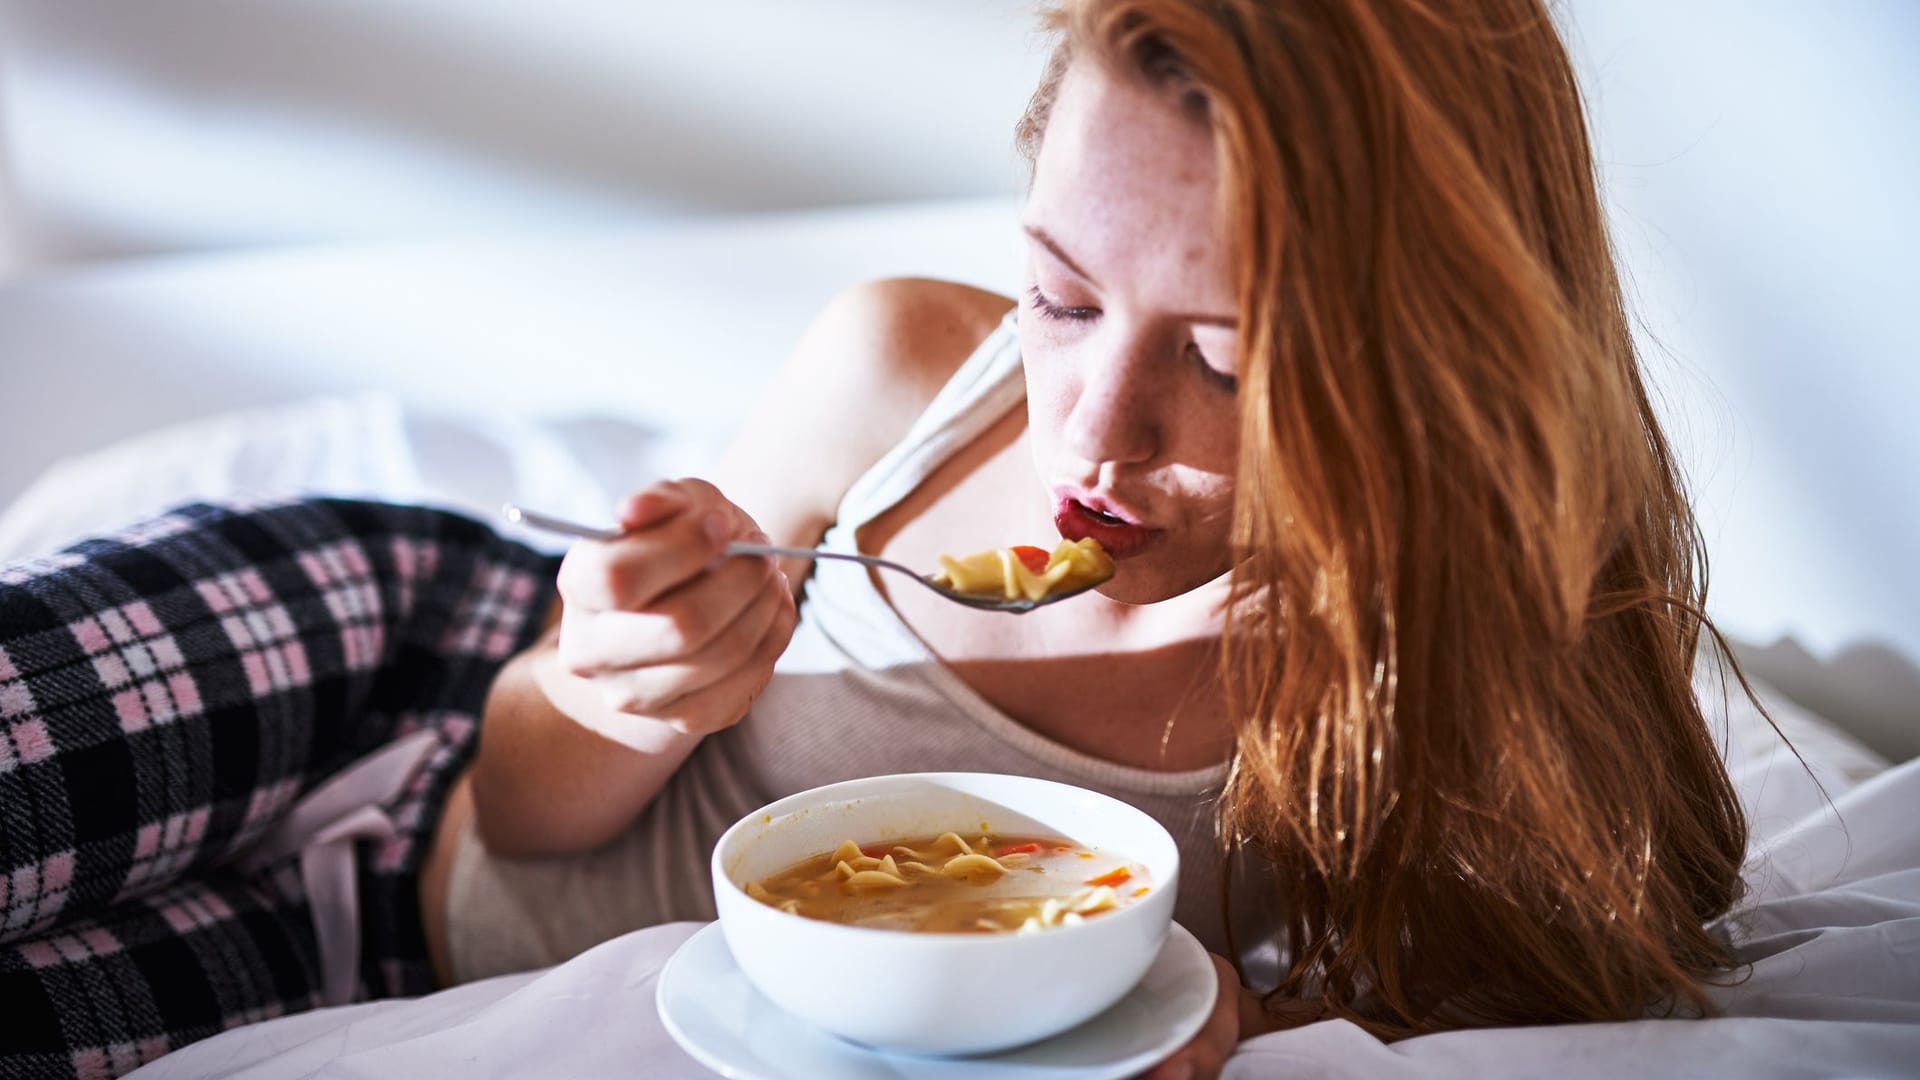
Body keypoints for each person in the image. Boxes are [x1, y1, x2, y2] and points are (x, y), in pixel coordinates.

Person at [1, 1, 1756, 1077]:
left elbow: (1521, 987)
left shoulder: (1428, 695)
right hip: (403, 649)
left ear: (1434, 361)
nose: (1092, 431)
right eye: (1063, 301)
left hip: (381, 957)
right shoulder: (905, 368)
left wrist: (1238, 1020)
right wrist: (618, 678)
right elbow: (521, 801)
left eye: (1224, 363)